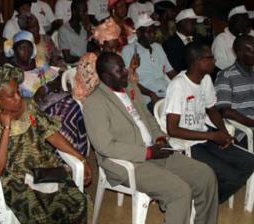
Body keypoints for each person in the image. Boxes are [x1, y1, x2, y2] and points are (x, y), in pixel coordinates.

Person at [83, 51, 218, 224]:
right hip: (128, 162)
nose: (126, 72)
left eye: (124, 67)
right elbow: (105, 146)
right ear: (105, 76)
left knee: (205, 175)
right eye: (119, 71)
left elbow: (148, 118)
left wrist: (160, 137)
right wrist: (147, 153)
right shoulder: (95, 103)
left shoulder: (130, 87)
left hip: (155, 150)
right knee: (180, 192)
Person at [0, 64, 91, 223]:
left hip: (44, 170)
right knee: (39, 216)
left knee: (78, 202)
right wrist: (6, 127)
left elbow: (51, 134)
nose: (18, 97)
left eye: (18, 91)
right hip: (16, 181)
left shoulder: (28, 105)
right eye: (12, 95)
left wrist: (81, 158)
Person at [161, 42, 254, 203]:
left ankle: (208, 200)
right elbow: (172, 130)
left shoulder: (205, 80)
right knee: (230, 175)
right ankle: (205, 202)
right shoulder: (179, 85)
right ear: (197, 61)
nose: (215, 60)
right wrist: (212, 136)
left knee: (249, 162)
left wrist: (224, 133)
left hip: (204, 136)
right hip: (185, 144)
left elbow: (212, 110)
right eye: (210, 57)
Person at [10, 31, 88, 155]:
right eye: (21, 47)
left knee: (73, 106)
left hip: (51, 100)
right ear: (14, 50)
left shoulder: (39, 63)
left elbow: (57, 78)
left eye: (29, 47)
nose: (26, 51)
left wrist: (46, 87)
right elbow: (16, 103)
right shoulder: (11, 72)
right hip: (32, 110)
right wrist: (36, 95)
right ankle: (64, 154)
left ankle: (75, 151)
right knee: (64, 114)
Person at [73, 18, 139, 102]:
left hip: (113, 97)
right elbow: (88, 91)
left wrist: (132, 68)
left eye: (116, 47)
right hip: (93, 100)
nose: (114, 51)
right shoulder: (88, 61)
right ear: (101, 45)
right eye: (110, 47)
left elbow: (126, 82)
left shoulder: (116, 56)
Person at [122, 14, 177, 112]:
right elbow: (129, 81)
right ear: (138, 33)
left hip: (166, 93)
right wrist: (151, 94)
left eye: (154, 30)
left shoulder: (158, 47)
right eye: (148, 31)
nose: (153, 34)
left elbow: (171, 72)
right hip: (147, 97)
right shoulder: (129, 50)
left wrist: (184, 83)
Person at [215, 35, 254, 148]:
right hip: (243, 130)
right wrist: (251, 123)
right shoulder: (226, 76)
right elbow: (225, 111)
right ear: (240, 53)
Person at [212, 5, 254, 70]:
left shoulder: (251, 34)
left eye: (247, 20)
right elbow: (219, 64)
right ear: (232, 21)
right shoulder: (221, 39)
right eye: (242, 20)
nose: (246, 23)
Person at [163, 8, 204, 72]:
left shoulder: (198, 38)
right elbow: (176, 67)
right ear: (183, 23)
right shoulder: (169, 44)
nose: (195, 26)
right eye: (193, 23)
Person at [58, 0, 90, 64]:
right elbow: (67, 58)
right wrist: (84, 58)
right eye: (83, 12)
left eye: (86, 11)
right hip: (72, 66)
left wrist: (89, 31)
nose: (86, 14)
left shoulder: (84, 27)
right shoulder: (64, 30)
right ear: (74, 11)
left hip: (84, 63)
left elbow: (89, 48)